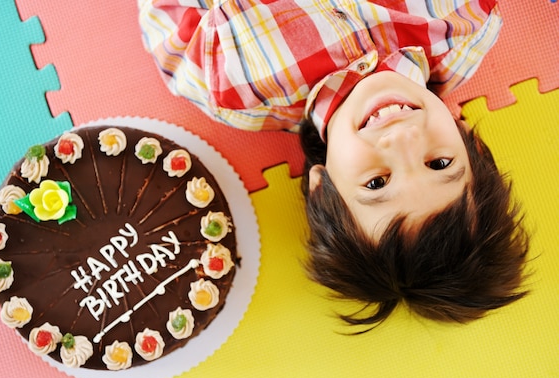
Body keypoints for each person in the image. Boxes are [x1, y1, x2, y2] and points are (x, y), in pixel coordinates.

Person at [139, 0, 529, 331]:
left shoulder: (234, 88)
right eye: (439, 162)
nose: (401, 139)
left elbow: (168, 25)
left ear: (323, 186)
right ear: (469, 141)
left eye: (377, 183)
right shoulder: (465, 22)